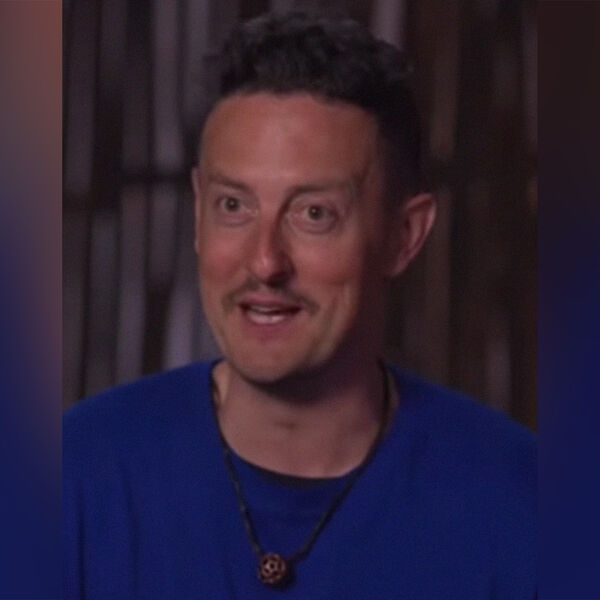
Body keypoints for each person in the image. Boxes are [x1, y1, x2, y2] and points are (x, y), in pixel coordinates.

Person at [63, 11, 536, 599]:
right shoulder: (73, 478)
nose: (265, 262)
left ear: (404, 236)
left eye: (314, 214)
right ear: (198, 210)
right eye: (233, 206)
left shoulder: (525, 505)